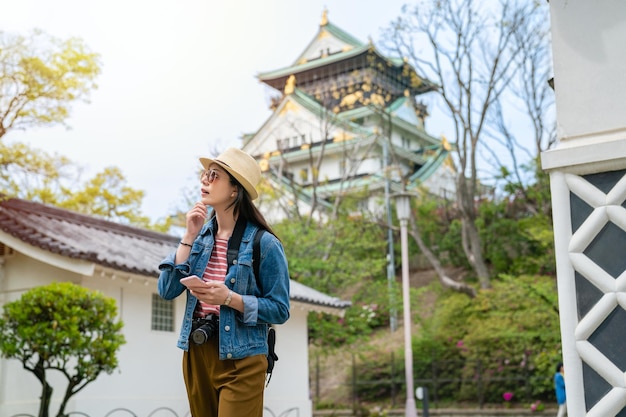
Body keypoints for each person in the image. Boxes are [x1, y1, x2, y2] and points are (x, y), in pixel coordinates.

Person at [157, 147, 290, 417]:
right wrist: (189, 235)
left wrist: (229, 299)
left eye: (214, 175)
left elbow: (280, 309)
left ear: (234, 190)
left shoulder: (264, 244)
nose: (205, 180)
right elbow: (167, 289)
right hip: (197, 351)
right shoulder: (200, 239)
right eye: (205, 174)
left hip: (242, 356)